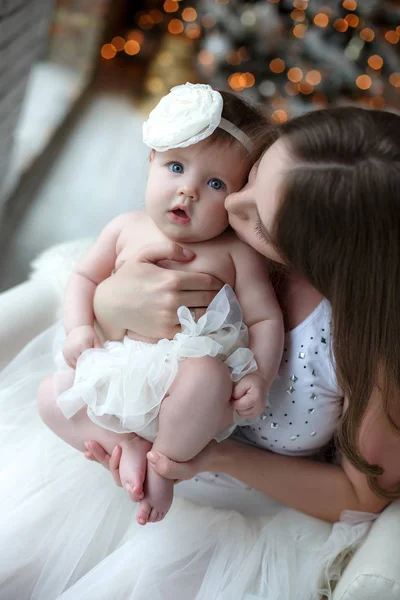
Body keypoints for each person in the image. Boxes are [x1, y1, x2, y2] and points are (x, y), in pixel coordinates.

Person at [0, 105, 398, 600]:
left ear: (318, 253)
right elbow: (103, 285)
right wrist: (107, 306)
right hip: (116, 445)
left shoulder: (369, 348)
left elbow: (361, 495)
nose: (230, 205)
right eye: (250, 176)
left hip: (240, 519)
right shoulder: (210, 228)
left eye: (258, 219)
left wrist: (207, 456)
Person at [36, 82, 283, 526]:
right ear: (150, 161)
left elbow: (266, 317)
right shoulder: (125, 227)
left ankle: (164, 464)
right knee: (51, 397)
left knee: (208, 376)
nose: (187, 192)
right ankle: (125, 446)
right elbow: (83, 276)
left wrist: (260, 375)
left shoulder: (236, 253)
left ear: (239, 196)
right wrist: (78, 329)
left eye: (214, 183)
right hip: (116, 366)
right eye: (175, 167)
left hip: (186, 384)